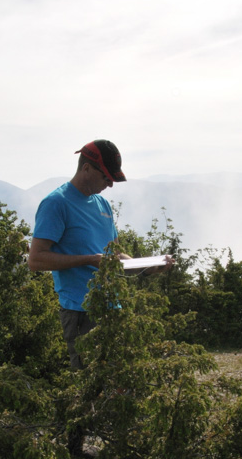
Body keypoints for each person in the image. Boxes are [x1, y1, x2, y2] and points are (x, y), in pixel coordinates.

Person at [28, 139, 171, 369]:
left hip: (112, 308)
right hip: (80, 311)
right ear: (86, 168)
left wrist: (149, 266)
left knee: (119, 381)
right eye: (106, 177)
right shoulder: (56, 203)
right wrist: (89, 260)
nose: (110, 184)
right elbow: (35, 260)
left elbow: (115, 256)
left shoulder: (102, 204)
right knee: (91, 385)